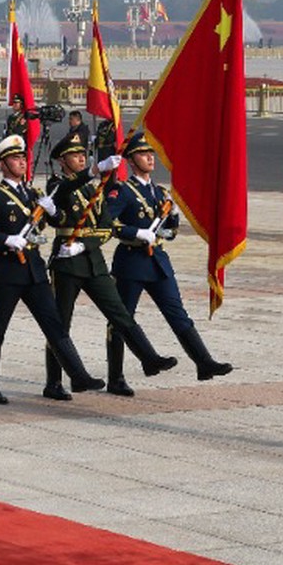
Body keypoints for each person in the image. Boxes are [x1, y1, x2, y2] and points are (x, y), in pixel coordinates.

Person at [0, 136, 105, 403]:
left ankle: (78, 375)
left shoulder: (34, 194)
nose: (21, 162)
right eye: (15, 159)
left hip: (34, 270)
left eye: (23, 158)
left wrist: (52, 211)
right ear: (3, 165)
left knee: (54, 325)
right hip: (7, 271)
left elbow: (57, 216)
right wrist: (5, 239)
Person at [40, 139, 178, 400]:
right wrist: (92, 172)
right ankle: (54, 382)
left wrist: (84, 244)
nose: (81, 158)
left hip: (93, 261)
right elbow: (64, 192)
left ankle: (148, 358)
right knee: (61, 324)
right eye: (74, 155)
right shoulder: (57, 185)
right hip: (67, 264)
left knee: (120, 313)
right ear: (62, 161)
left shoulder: (97, 189)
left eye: (83, 154)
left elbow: (106, 226)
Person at [102, 132, 233, 387]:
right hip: (131, 262)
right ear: (130, 159)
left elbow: (170, 233)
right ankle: (116, 377)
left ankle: (203, 362)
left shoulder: (160, 193)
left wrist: (172, 216)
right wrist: (136, 232)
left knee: (177, 314)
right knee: (121, 318)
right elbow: (108, 223)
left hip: (157, 262)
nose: (150, 158)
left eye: (152, 153)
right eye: (143, 153)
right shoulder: (123, 192)